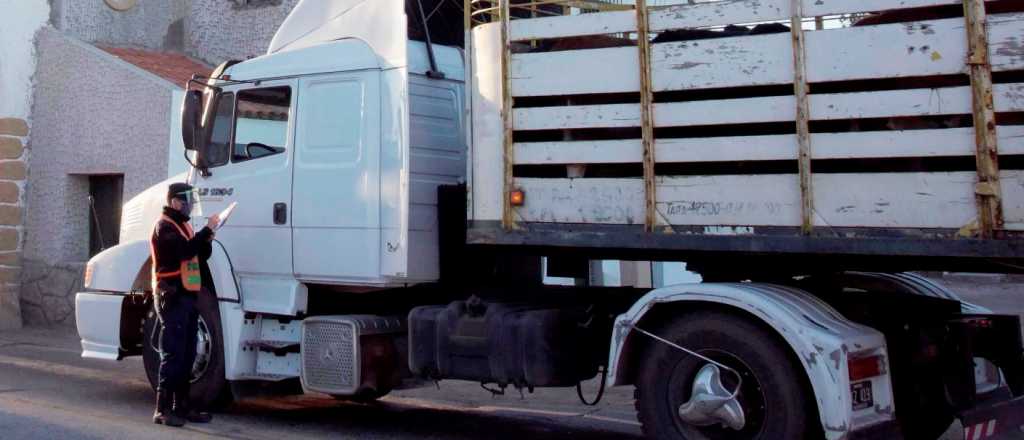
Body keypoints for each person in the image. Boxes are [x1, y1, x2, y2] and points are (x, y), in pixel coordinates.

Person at [150, 182, 219, 427]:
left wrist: (207, 237)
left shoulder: (183, 226)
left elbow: (200, 254)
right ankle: (162, 409)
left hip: (186, 296)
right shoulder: (164, 227)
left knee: (189, 353)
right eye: (186, 200)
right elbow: (184, 251)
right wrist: (204, 232)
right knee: (173, 353)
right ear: (175, 202)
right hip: (171, 296)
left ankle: (182, 406)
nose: (190, 205)